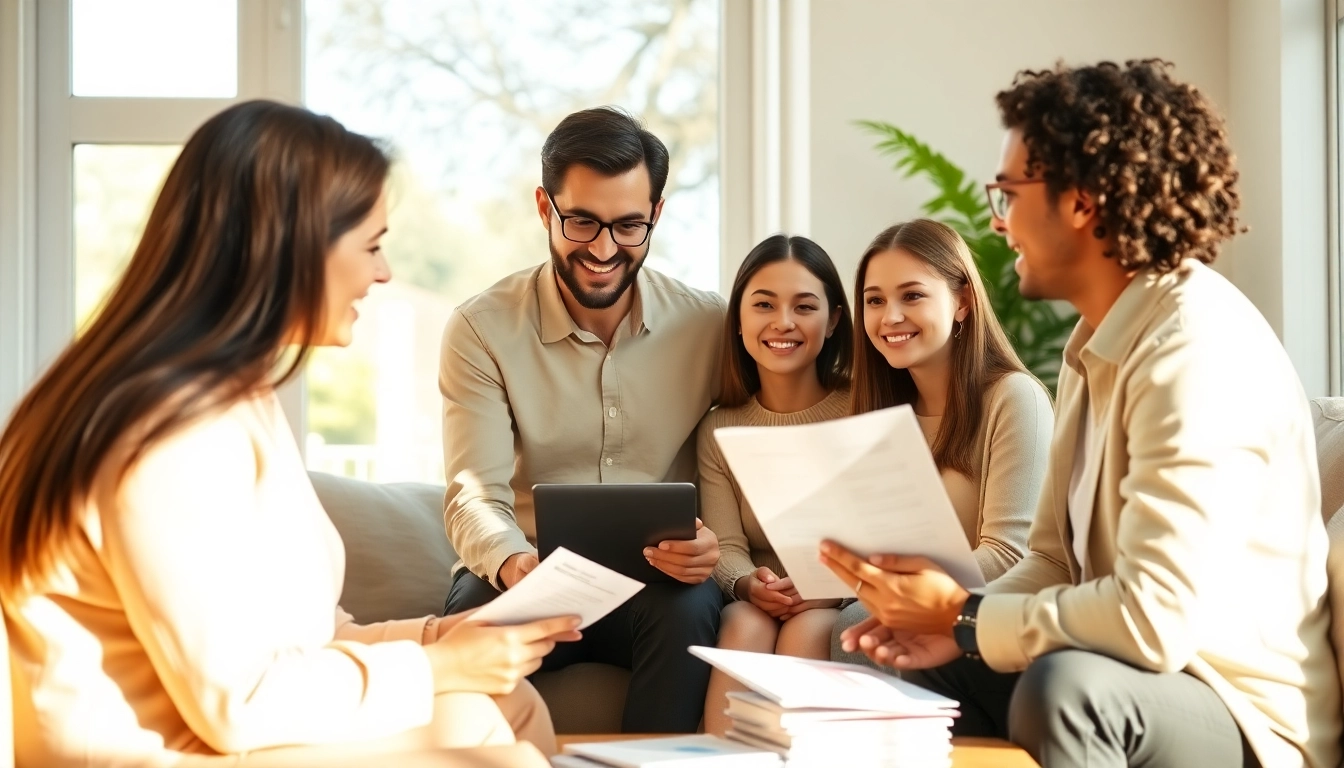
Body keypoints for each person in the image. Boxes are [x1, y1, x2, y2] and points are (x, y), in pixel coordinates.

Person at [0, 100, 576, 768]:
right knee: (492, 746)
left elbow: (297, 637)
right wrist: (439, 669)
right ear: (292, 248)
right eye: (370, 245)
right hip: (170, 751)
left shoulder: (234, 397)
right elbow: (237, 701)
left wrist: (438, 637)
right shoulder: (163, 431)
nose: (384, 273)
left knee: (508, 704)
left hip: (224, 731)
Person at [821, 60, 1343, 768]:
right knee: (898, 661)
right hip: (1137, 672)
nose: (998, 223)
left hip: (1237, 713)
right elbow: (1051, 559)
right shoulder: (1093, 341)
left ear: (1082, 200)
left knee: (1066, 688)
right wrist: (951, 628)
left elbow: (1153, 618)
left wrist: (965, 615)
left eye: (1008, 193)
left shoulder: (1194, 349)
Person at [439, 106, 727, 733]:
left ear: (655, 214)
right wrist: (516, 565)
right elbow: (473, 498)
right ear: (545, 209)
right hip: (524, 572)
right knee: (480, 615)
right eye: (582, 222)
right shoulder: (481, 329)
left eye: (629, 227)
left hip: (657, 588)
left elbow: (760, 443)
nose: (603, 250)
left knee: (693, 603)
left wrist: (717, 547)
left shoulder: (710, 326)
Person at [830, 218, 1051, 665]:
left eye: (912, 295)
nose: (890, 317)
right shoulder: (879, 413)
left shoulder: (1014, 397)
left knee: (851, 623)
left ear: (962, 301)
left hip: (986, 618)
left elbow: (1012, 555)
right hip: (900, 605)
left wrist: (903, 590)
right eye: (874, 301)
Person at [697, 234, 854, 735]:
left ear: (832, 321)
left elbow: (885, 529)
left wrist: (832, 589)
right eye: (763, 304)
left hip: (840, 598)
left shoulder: (864, 407)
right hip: (757, 598)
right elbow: (724, 544)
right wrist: (746, 583)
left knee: (811, 626)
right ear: (739, 321)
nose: (783, 322)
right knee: (745, 620)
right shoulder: (720, 427)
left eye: (804, 307)